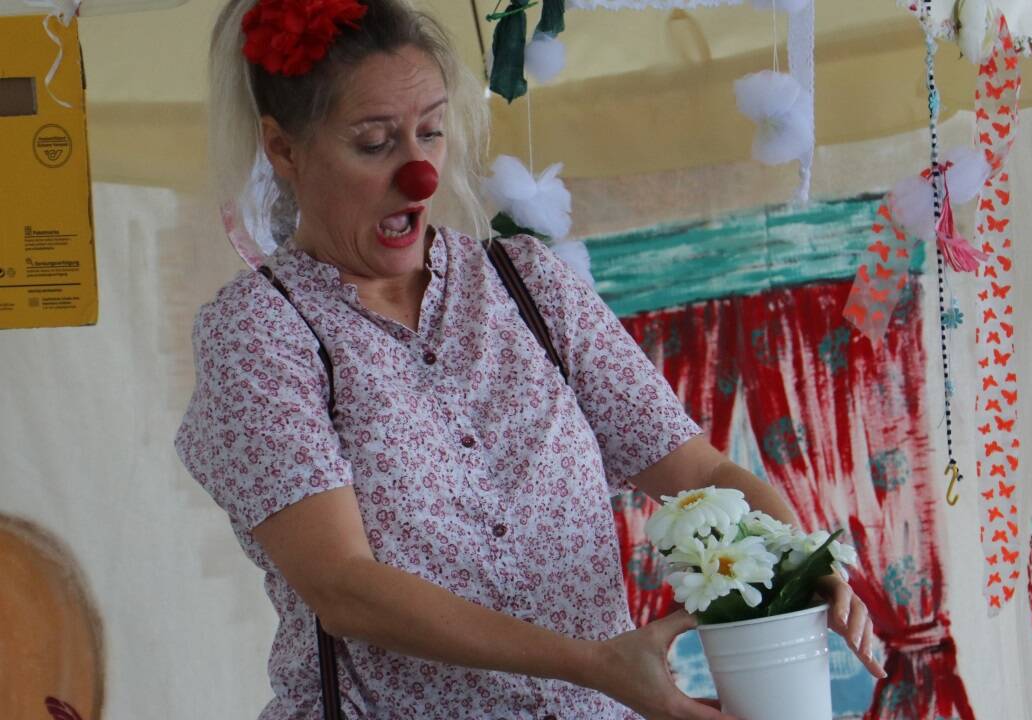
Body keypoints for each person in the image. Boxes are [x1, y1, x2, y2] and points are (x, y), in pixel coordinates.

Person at [176, 0, 885, 717]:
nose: (419, 172)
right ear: (284, 149)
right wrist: (594, 665)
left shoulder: (528, 285)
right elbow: (344, 588)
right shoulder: (259, 334)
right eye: (373, 143)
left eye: (430, 132)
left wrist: (800, 564)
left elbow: (700, 473)